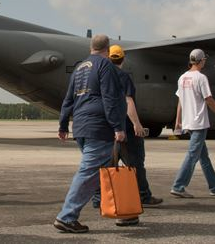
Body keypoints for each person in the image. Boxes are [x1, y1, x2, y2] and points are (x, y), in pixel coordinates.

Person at [53, 34, 127, 234]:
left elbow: (68, 99)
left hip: (81, 126)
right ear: (107, 48)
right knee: (88, 173)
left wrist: (62, 125)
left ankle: (125, 212)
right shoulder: (106, 66)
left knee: (103, 171)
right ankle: (66, 217)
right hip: (99, 127)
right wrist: (118, 127)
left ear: (91, 47)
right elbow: (110, 98)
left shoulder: (79, 68)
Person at [107, 45, 162, 227]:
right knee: (136, 163)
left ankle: (102, 197)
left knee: (108, 164)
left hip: (109, 127)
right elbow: (128, 101)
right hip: (126, 128)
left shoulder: (103, 77)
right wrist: (137, 124)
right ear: (122, 59)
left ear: (109, 58)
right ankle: (143, 196)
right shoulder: (123, 77)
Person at [170, 49, 215, 198]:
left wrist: (178, 120)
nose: (205, 62)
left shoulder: (182, 78)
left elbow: (180, 100)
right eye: (204, 60)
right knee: (192, 155)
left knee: (203, 156)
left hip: (188, 122)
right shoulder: (201, 78)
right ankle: (178, 186)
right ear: (201, 61)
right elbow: (209, 99)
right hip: (199, 122)